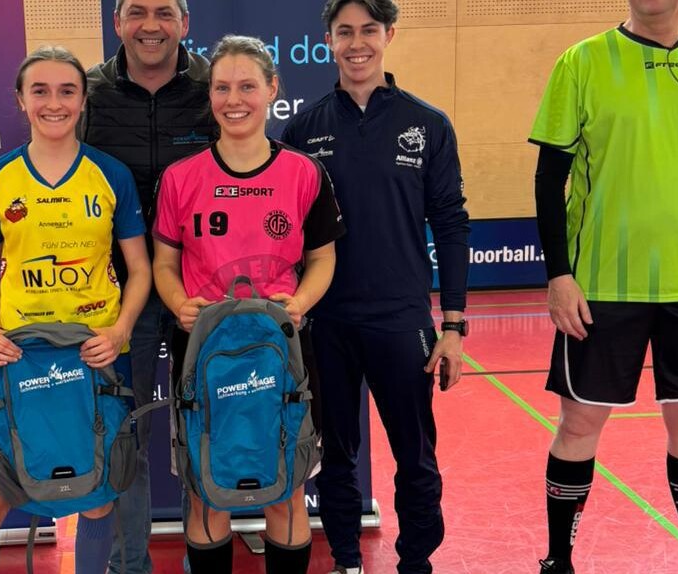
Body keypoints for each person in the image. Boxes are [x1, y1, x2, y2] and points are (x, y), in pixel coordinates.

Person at [529, 1, 678, 572]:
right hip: (601, 286)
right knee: (578, 424)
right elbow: (549, 177)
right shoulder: (582, 62)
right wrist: (559, 275)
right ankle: (558, 562)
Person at [280, 1, 470, 572]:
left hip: (401, 320)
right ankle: (345, 560)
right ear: (328, 40)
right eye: (345, 32)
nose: (357, 43)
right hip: (327, 323)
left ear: (389, 34)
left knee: (416, 458)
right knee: (336, 457)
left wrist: (454, 325)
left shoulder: (427, 124)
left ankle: (416, 562)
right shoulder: (303, 129)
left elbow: (451, 223)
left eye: (368, 30)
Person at [152, 34, 345, 574]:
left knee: (284, 487)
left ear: (272, 89)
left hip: (281, 351)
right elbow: (164, 264)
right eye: (221, 88)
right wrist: (179, 303)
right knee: (205, 489)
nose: (233, 100)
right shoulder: (180, 178)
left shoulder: (304, 173)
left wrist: (299, 302)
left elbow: (323, 258)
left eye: (246, 86)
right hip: (202, 352)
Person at [0, 45, 151, 574]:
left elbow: (140, 268)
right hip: (21, 358)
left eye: (67, 91)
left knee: (98, 498)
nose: (54, 103)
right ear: (21, 100)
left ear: (83, 100)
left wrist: (120, 330)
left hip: (95, 357)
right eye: (39, 91)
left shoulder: (110, 174)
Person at [83, 1, 217, 570]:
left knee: (206, 429)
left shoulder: (215, 88)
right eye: (136, 12)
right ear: (117, 23)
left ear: (185, 23)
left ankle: (203, 561)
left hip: (204, 292)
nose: (151, 25)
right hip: (120, 297)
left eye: (165, 12)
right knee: (123, 436)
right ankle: (127, 565)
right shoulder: (89, 93)